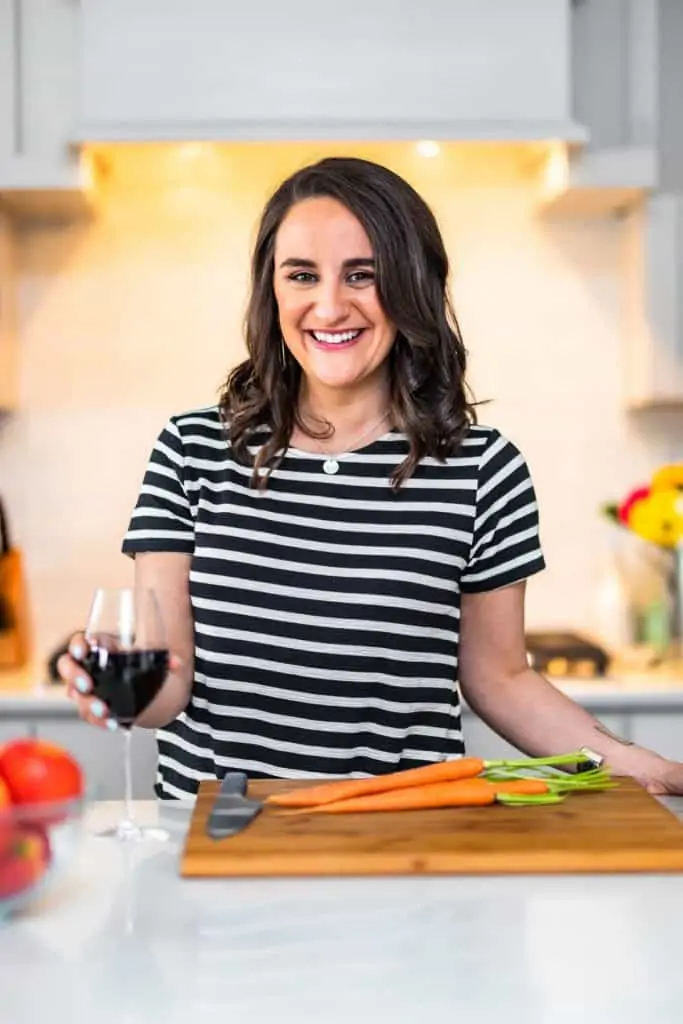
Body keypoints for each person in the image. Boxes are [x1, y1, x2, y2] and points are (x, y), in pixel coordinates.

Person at [58, 156, 683, 800]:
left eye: (364, 276)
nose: (329, 307)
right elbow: (172, 678)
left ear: (411, 286)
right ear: (272, 292)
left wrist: (642, 765)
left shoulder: (483, 469)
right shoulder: (191, 450)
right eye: (302, 276)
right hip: (219, 844)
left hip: (404, 844)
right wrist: (118, 685)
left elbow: (500, 678)